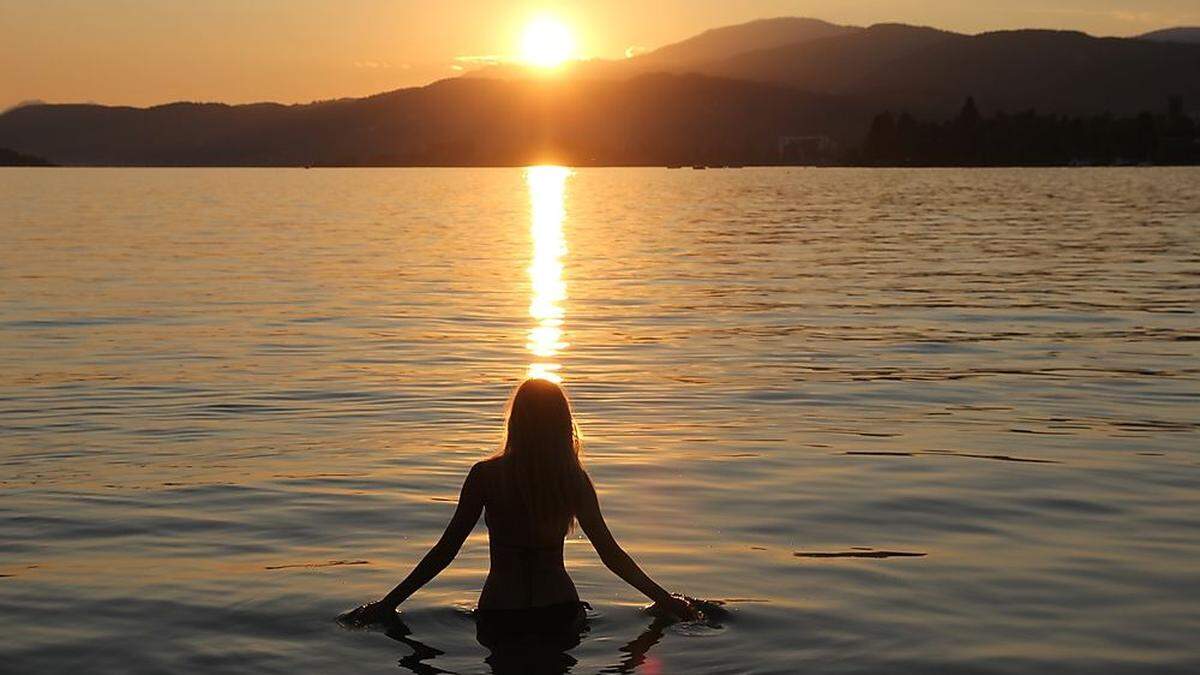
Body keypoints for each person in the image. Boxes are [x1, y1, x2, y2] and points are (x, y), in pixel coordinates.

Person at [341, 378, 696, 642]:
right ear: (563, 424)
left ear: (515, 421)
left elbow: (445, 551)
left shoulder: (485, 476)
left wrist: (388, 604)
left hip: (500, 612)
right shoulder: (572, 480)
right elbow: (611, 555)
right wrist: (667, 601)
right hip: (559, 612)